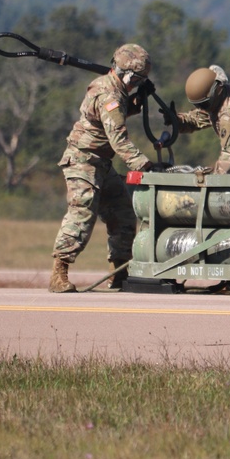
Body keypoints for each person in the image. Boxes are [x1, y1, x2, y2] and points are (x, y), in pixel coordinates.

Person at [49, 43, 157, 293]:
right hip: (83, 160)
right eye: (138, 80)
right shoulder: (108, 94)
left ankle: (120, 273)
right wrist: (143, 164)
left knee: (123, 215)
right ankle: (59, 273)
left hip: (101, 163)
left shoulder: (116, 90)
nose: (138, 83)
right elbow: (118, 138)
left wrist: (138, 100)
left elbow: (120, 112)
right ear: (129, 75)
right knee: (82, 214)